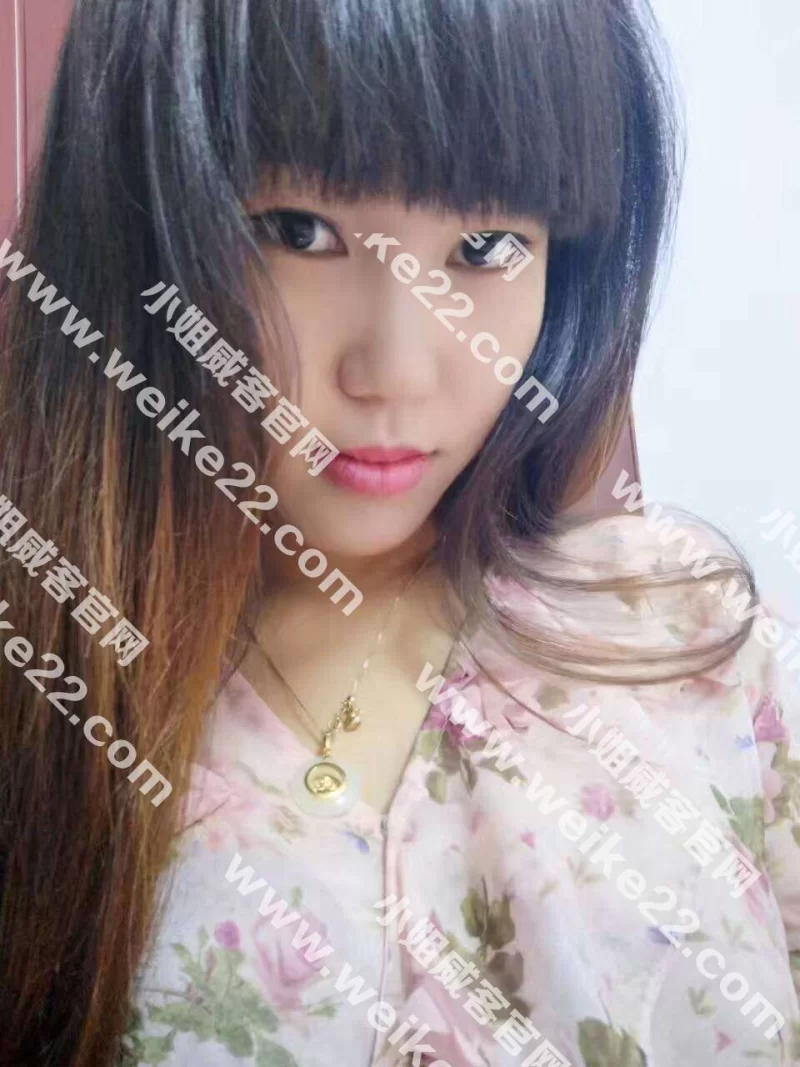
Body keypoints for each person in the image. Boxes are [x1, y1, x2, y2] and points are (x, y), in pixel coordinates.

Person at [0, 0, 797, 1064]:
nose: (397, 370)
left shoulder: (690, 641)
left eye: (486, 245)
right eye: (297, 231)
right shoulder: (47, 707)